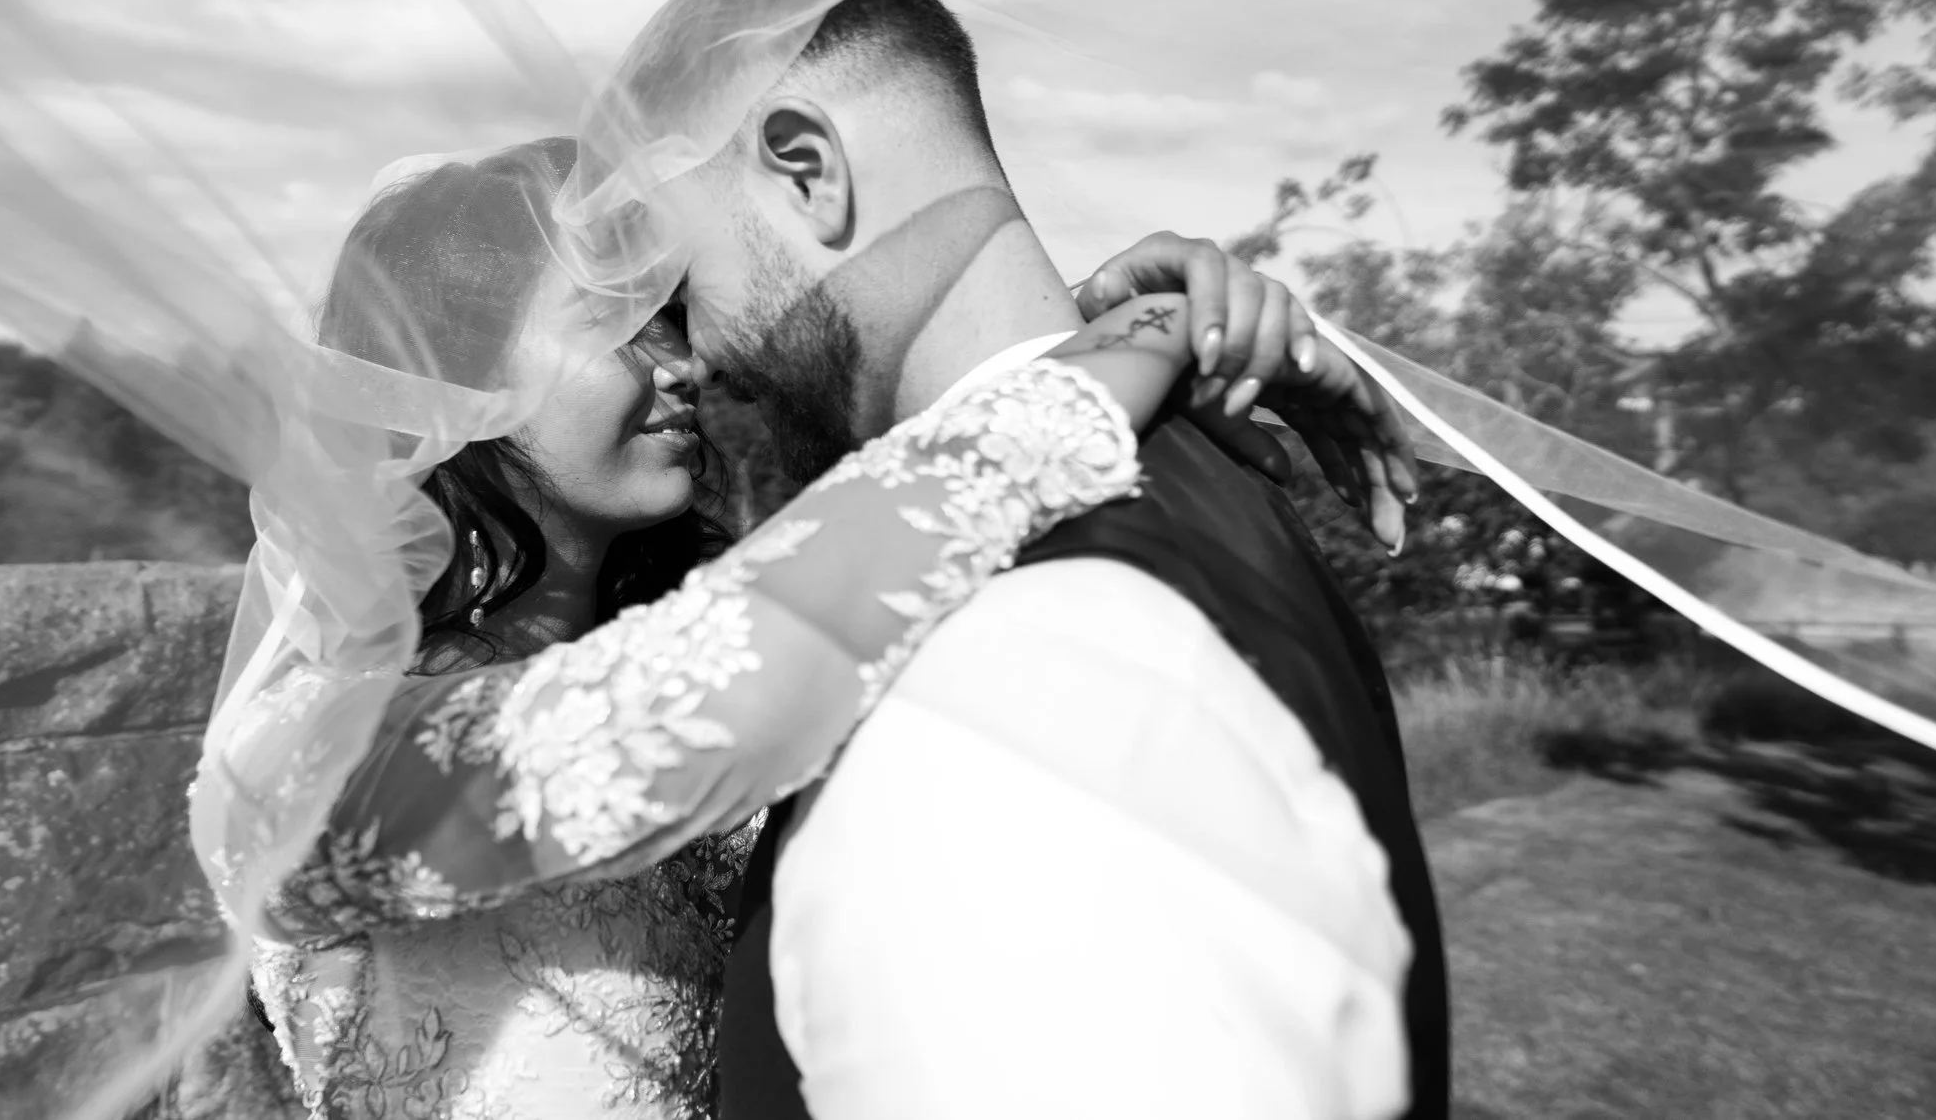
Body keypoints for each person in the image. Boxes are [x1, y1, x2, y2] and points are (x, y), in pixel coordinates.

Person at [249, 133, 1420, 1119]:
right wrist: (1118, 348)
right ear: (445, 380)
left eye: (674, 319)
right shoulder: (306, 738)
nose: (683, 366)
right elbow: (693, 698)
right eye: (620, 327)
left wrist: (1068, 328)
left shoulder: (691, 611)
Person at [677, 0, 1449, 1120]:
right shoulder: (1188, 463)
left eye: (683, 269)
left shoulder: (1000, 670)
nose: (689, 347)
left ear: (807, 170)